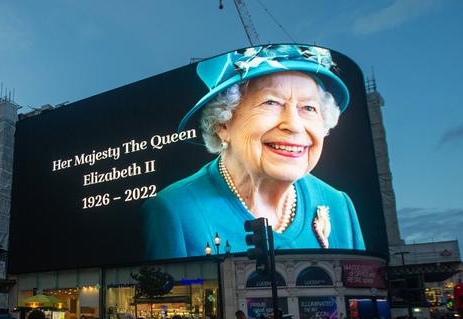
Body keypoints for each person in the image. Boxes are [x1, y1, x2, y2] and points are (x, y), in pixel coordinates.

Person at [142, 44, 365, 261]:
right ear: (223, 124)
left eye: (309, 108)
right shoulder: (174, 211)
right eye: (271, 102)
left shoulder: (339, 205)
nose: (294, 125)